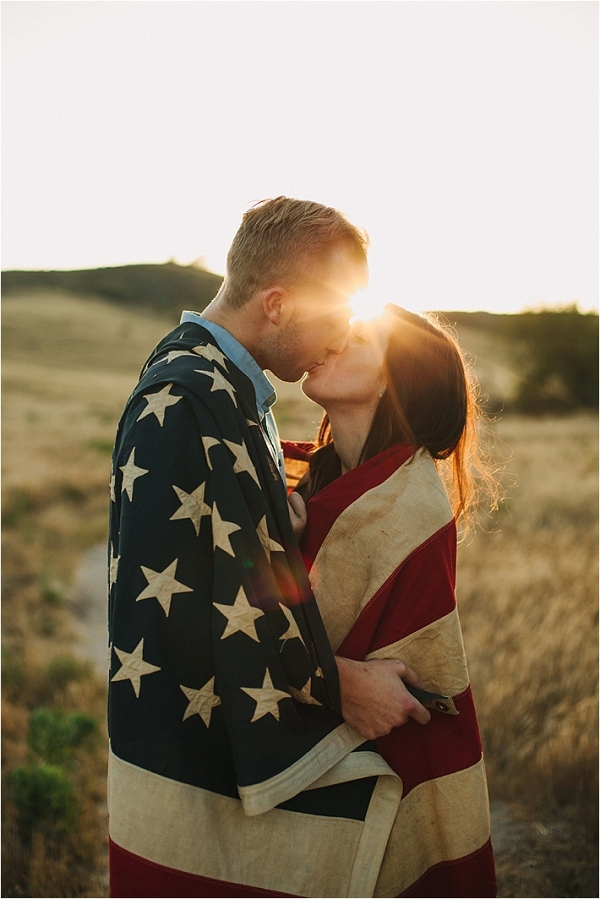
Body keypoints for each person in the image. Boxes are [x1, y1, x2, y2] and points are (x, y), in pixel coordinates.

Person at [107, 198, 431, 899]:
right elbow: (170, 607)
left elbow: (235, 562)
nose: (341, 336)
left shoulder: (229, 392)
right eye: (334, 316)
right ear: (278, 305)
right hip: (191, 772)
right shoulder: (185, 399)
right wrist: (332, 680)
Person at [283, 305, 498, 897]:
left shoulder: (411, 507)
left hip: (373, 775)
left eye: (353, 338)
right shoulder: (308, 482)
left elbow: (406, 685)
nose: (327, 340)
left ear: (393, 381)